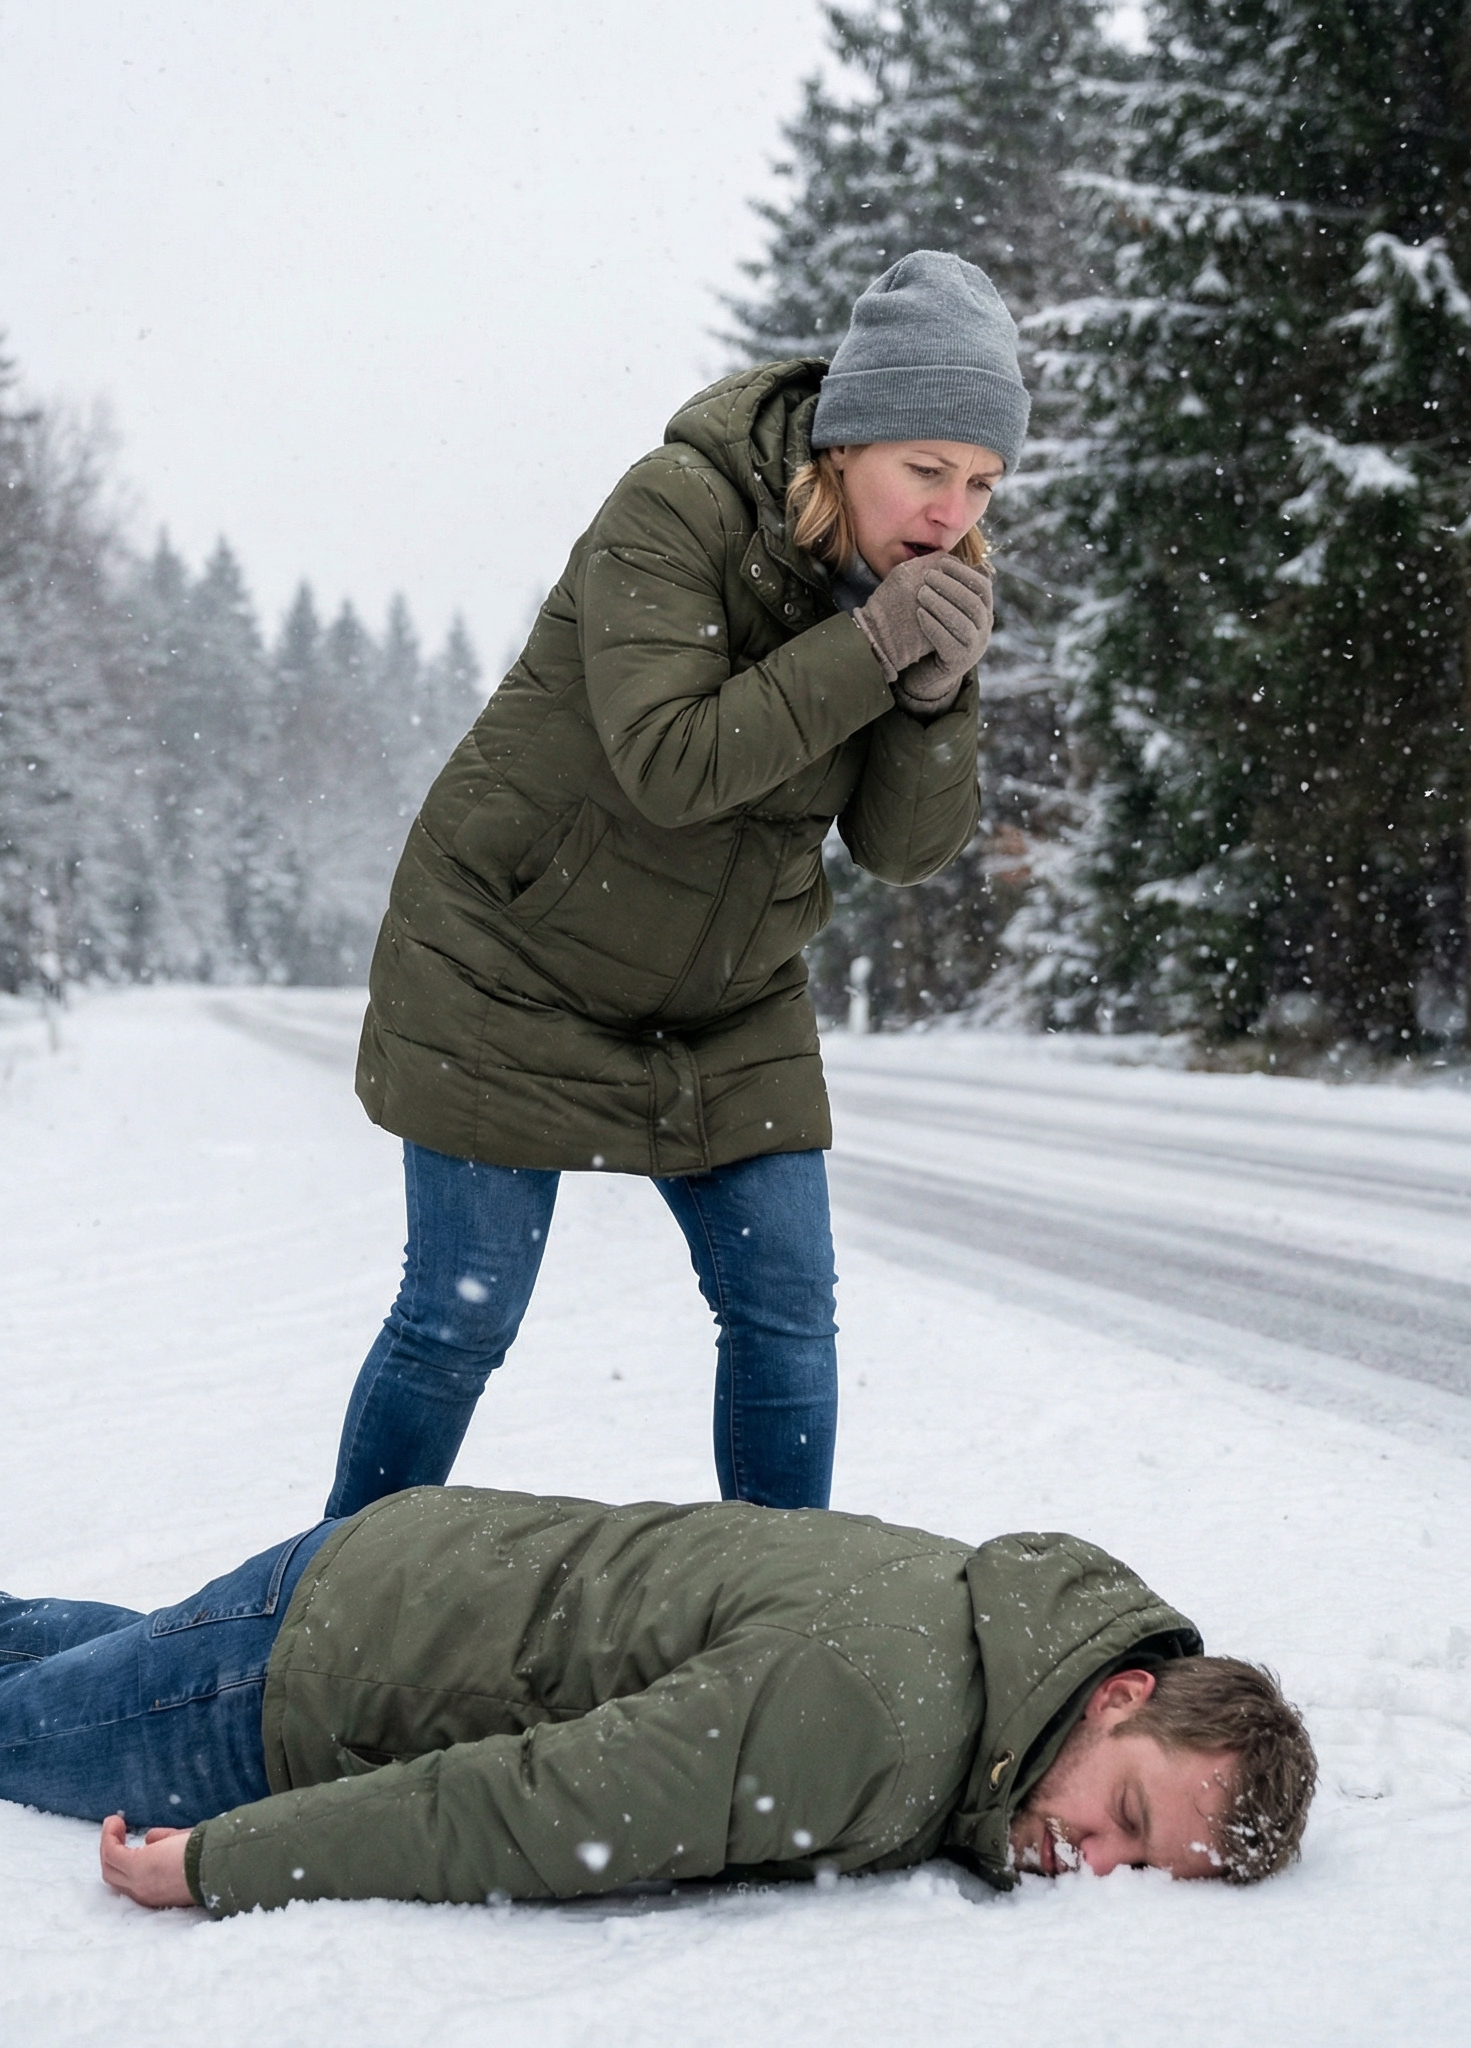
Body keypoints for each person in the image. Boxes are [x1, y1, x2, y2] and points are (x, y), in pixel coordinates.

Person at [331, 251, 1028, 1520]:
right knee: (455, 1322)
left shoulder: (914, 584)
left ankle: (774, 1617)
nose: (949, 510)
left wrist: (933, 699)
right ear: (845, 441)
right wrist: (870, 648)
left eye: (980, 480)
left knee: (786, 1314)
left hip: (724, 994)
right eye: (925, 469)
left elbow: (902, 850)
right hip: (511, 958)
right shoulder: (676, 508)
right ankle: (312, 1615)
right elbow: (671, 758)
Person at [0, 1489, 1317, 1913]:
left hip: (405, 1584)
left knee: (125, 1661)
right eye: (1118, 1819)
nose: (1086, 1862)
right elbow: (539, 1807)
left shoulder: (976, 1624)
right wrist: (230, 1856)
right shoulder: (872, 1719)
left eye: (1132, 1865)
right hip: (325, 1678)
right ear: (1113, 1696)